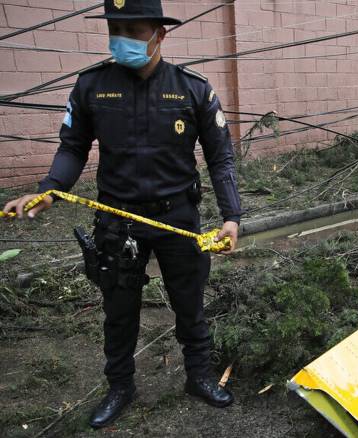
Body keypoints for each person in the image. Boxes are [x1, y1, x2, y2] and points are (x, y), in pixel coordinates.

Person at [2, 0, 242, 428]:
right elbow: (73, 147)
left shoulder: (193, 89)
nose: (123, 39)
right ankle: (120, 386)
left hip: (177, 217)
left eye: (134, 30)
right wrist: (49, 192)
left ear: (160, 34)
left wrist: (231, 216)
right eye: (117, 29)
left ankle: (200, 375)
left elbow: (221, 157)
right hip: (116, 218)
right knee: (119, 308)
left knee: (190, 303)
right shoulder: (93, 86)